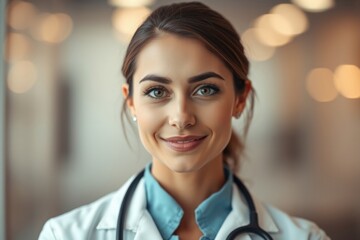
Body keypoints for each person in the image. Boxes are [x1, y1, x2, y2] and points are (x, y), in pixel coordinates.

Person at [39, 2, 330, 240]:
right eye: (156, 91)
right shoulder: (64, 235)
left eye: (205, 90)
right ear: (131, 101)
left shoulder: (305, 237)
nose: (181, 117)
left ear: (240, 99)